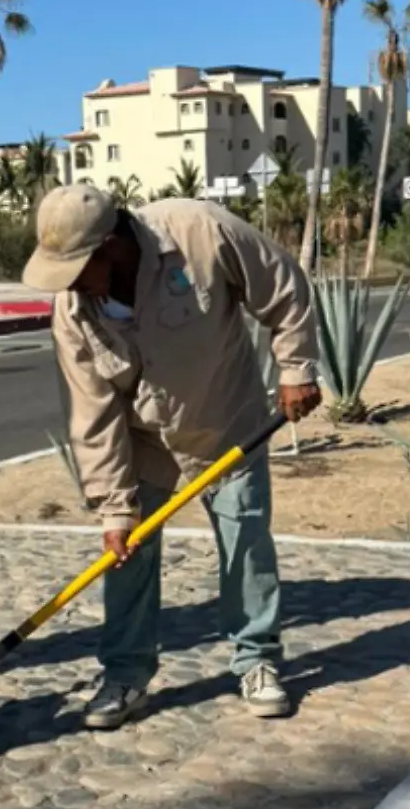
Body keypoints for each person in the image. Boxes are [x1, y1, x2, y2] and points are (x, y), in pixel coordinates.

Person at [19, 185, 323, 730]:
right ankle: (126, 674)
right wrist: (115, 509)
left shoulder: (200, 231)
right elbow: (92, 416)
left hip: (226, 423)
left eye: (74, 267)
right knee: (127, 553)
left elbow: (284, 288)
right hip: (145, 442)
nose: (66, 284)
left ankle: (257, 661)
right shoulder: (73, 312)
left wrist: (296, 368)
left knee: (245, 543)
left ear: (110, 246)